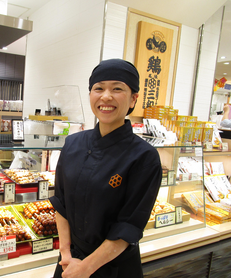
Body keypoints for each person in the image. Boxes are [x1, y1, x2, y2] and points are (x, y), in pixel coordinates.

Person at [49, 58, 163, 278]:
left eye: (117, 89)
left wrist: (87, 268)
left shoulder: (144, 157)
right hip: (70, 261)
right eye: (98, 88)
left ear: (133, 99)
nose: (106, 96)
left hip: (114, 267)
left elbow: (129, 225)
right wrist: (65, 253)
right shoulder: (72, 144)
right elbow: (61, 203)